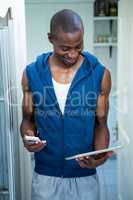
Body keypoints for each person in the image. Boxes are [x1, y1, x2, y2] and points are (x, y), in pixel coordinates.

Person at [20, 9, 112, 200]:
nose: (72, 54)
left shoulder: (100, 74)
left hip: (84, 177)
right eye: (65, 48)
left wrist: (99, 159)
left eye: (78, 46)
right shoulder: (31, 73)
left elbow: (101, 124)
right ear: (50, 38)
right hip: (45, 177)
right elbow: (27, 120)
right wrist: (28, 138)